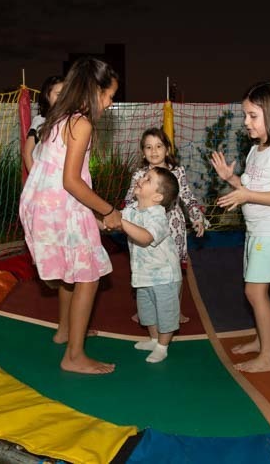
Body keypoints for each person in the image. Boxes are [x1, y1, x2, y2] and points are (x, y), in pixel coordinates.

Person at [18, 57, 121, 375]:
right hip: (61, 206)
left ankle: (65, 331)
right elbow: (72, 181)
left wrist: (93, 215)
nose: (110, 103)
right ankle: (74, 356)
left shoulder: (59, 117)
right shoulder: (81, 123)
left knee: (71, 271)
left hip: (46, 205)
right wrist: (108, 210)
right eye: (109, 95)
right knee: (88, 277)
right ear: (94, 90)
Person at [210, 81, 270, 373]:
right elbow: (252, 188)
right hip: (257, 231)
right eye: (245, 115)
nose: (246, 122)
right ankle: (262, 341)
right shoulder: (255, 151)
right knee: (255, 290)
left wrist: (247, 195)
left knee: (254, 292)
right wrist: (231, 179)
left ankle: (268, 357)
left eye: (253, 115)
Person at [123, 127, 208, 323]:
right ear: (143, 152)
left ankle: (174, 310)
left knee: (173, 269)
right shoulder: (140, 175)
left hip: (173, 227)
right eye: (148, 147)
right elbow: (129, 199)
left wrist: (197, 217)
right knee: (144, 266)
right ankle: (145, 309)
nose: (154, 151)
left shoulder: (177, 171)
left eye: (159, 146)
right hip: (145, 226)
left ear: (167, 149)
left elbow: (187, 197)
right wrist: (123, 219)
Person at [121, 167, 181, 363]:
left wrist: (120, 222)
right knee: (147, 311)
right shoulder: (131, 210)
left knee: (165, 312)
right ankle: (154, 339)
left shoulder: (158, 216)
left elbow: (146, 237)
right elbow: (110, 221)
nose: (141, 178)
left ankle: (163, 346)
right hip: (143, 274)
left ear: (157, 197)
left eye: (148, 179)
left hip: (164, 276)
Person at [23, 75, 64, 173]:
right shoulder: (40, 121)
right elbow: (27, 153)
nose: (62, 99)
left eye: (66, 95)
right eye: (58, 94)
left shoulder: (69, 121)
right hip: (42, 176)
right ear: (47, 95)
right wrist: (34, 178)